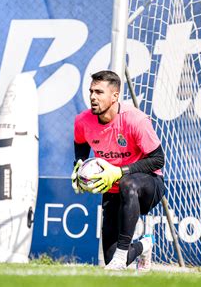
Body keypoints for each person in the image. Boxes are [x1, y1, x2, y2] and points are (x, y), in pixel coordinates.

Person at [71, 70, 166, 271]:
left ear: (115, 96)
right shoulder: (82, 121)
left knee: (127, 182)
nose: (93, 97)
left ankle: (122, 255)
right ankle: (144, 245)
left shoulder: (135, 120)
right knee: (108, 257)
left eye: (99, 92)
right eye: (91, 92)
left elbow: (158, 159)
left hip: (148, 185)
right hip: (112, 189)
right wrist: (78, 165)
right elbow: (80, 143)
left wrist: (120, 171)